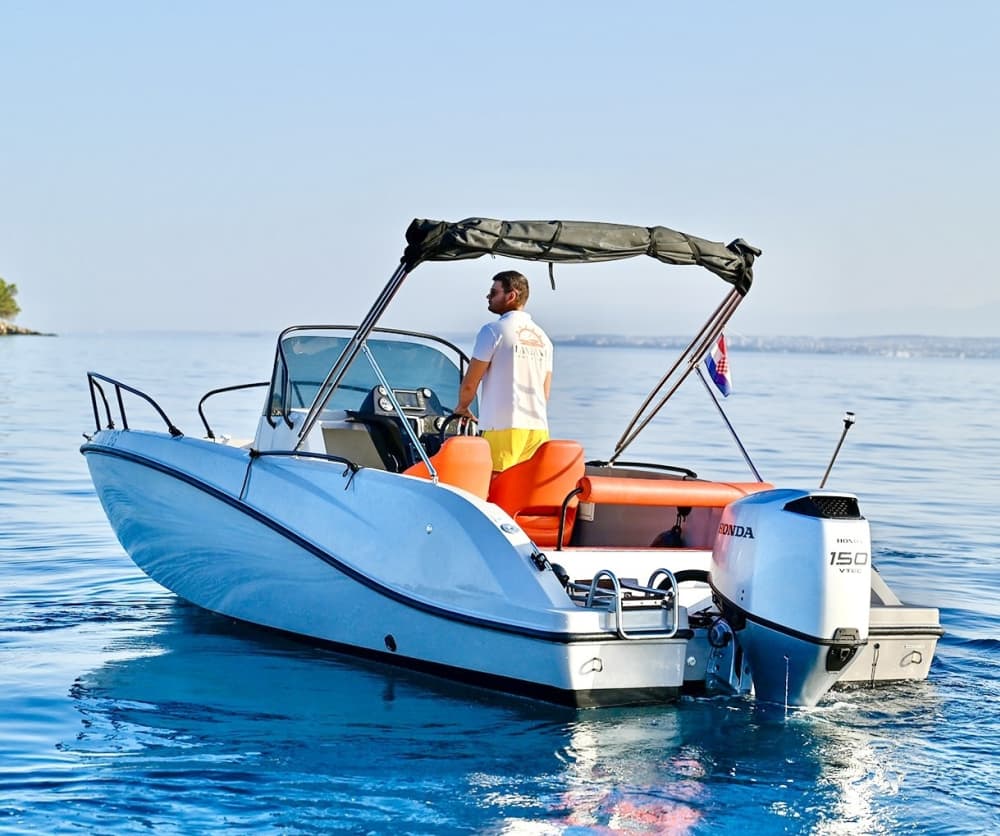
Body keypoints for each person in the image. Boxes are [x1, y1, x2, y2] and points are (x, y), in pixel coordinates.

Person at [454, 270, 553, 473]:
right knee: (524, 486)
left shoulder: (492, 331)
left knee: (495, 484)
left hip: (503, 427)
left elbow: (471, 383)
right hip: (538, 429)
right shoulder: (544, 339)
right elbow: (545, 393)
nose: (488, 296)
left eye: (493, 292)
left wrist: (462, 407)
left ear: (511, 296)